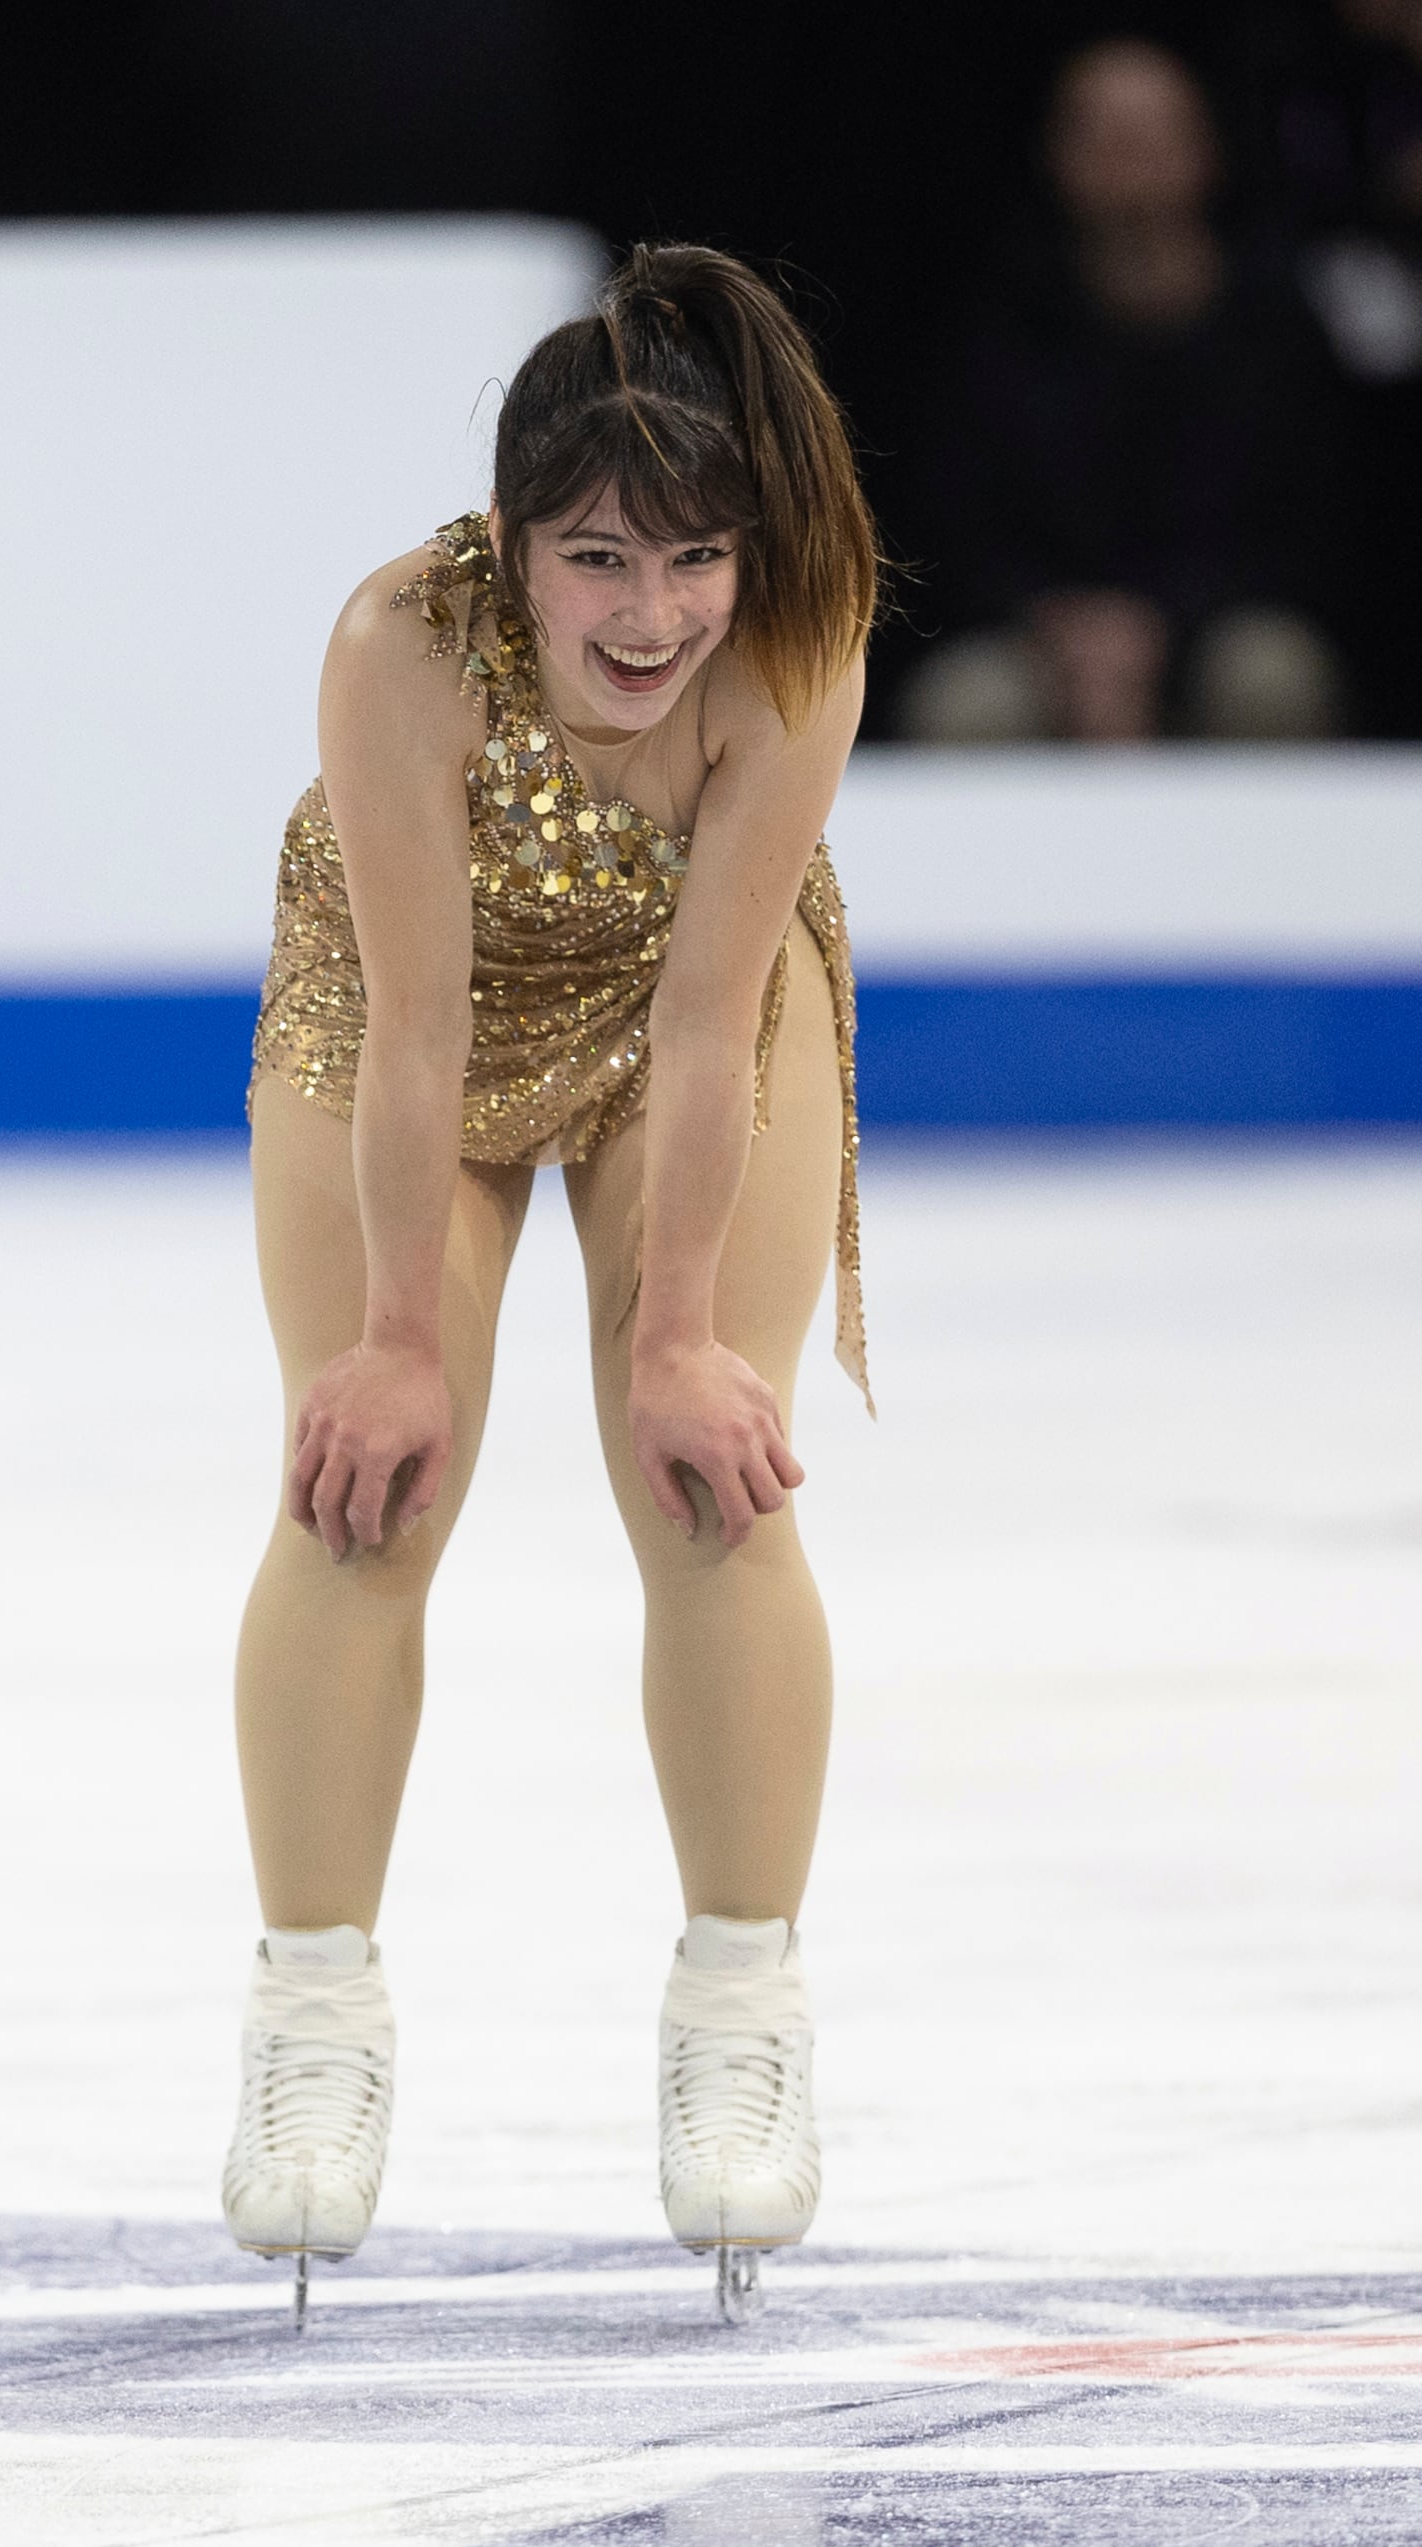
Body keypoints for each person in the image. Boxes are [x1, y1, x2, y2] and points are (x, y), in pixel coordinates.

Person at [221, 243, 881, 2301]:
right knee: (364, 1483)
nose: (649, 616)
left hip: (679, 1014)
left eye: (690, 558)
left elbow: (701, 1023)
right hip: (402, 1006)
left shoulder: (791, 648)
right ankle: (311, 2024)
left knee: (710, 1472)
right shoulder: (397, 646)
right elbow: (419, 1029)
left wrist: (676, 1332)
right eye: (596, 559)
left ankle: (739, 2013)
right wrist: (401, 1341)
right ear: (508, 549)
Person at [897, 39, 1352, 744]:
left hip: (1216, 625)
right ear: (1055, 153)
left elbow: (1307, 529)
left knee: (1273, 676)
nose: (1129, 160)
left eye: (1151, 136)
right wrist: (1058, 623)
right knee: (964, 703)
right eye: (1104, 136)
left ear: (1207, 148)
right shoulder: (1005, 323)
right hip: (1047, 632)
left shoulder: (1276, 328)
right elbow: (959, 523)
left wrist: (1164, 622)